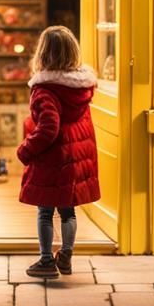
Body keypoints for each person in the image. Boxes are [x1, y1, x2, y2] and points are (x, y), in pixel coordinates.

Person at [16, 25, 100, 278]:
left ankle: (45, 261)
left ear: (43, 54)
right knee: (68, 210)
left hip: (53, 160)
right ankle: (66, 256)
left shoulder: (45, 90)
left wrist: (26, 149)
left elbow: (48, 129)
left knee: (44, 211)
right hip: (75, 158)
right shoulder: (80, 88)